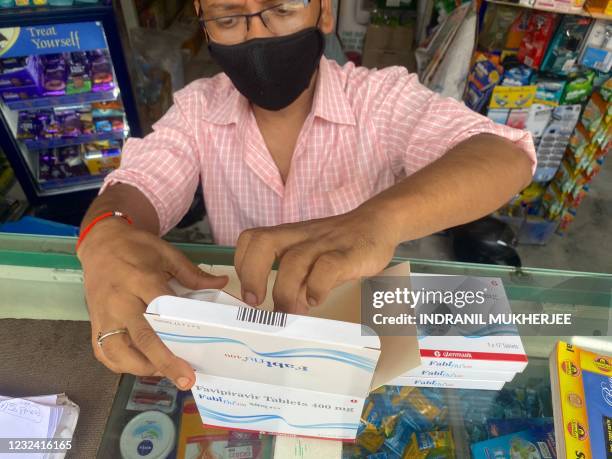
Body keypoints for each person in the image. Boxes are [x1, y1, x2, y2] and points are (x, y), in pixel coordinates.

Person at [77, 0, 536, 390]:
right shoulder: (198, 109)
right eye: (227, 18)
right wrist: (106, 236)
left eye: (281, 9)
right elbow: (138, 184)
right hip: (245, 336)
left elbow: (504, 155)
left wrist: (379, 220)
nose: (257, 36)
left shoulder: (380, 98)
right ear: (204, 24)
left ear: (325, 11)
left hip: (362, 334)